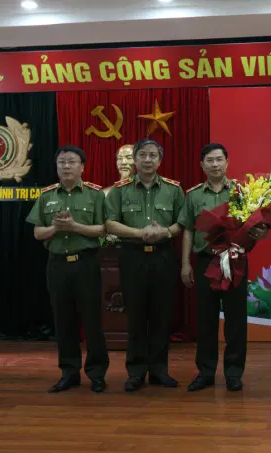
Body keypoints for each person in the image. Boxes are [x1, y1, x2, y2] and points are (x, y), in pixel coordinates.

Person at [178, 143, 268, 392]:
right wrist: (185, 264)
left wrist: (260, 232)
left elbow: (254, 226)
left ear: (227, 163)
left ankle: (234, 373)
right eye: (210, 160)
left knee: (235, 320)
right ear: (202, 165)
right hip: (206, 262)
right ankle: (206, 372)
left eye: (219, 159)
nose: (215, 164)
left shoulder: (242, 192)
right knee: (205, 320)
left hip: (235, 260)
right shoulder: (193, 195)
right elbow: (188, 230)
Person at [26, 145, 109, 393]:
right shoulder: (46, 195)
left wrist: (74, 227)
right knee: (63, 321)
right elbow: (37, 232)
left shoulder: (95, 195)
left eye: (71, 162)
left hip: (86, 263)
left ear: (82, 167)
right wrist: (55, 228)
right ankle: (69, 373)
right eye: (61, 162)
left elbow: (103, 230)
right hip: (57, 264)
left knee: (92, 321)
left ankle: (97, 373)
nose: (66, 166)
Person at [105, 138, 185, 392]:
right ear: (135, 160)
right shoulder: (119, 190)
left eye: (153, 155)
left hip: (163, 256)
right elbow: (110, 223)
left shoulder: (174, 190)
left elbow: (182, 223)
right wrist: (140, 233)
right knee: (136, 316)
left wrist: (165, 232)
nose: (147, 160)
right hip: (133, 256)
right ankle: (136, 372)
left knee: (162, 315)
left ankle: (160, 371)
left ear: (160, 160)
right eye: (142, 155)